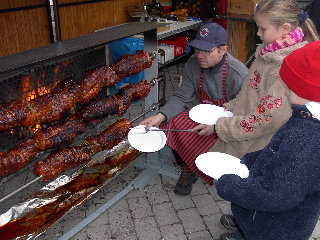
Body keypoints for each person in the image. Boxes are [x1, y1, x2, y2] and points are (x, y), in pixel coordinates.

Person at [216, 40, 320, 240]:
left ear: (305, 92)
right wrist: (250, 160)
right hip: (268, 217)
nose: (285, 92)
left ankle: (247, 232)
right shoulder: (305, 118)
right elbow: (278, 152)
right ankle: (244, 228)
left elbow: (274, 195)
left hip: (277, 229)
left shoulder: (306, 139)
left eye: (289, 87)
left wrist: (228, 185)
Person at [139, 22, 248, 195]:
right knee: (172, 121)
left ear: (223, 49)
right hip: (201, 115)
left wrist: (217, 127)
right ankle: (187, 168)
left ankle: (215, 172)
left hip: (228, 124)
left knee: (223, 152)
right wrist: (160, 117)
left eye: (207, 51)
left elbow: (243, 114)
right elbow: (182, 97)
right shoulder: (192, 64)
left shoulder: (238, 74)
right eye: (197, 49)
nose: (200, 56)